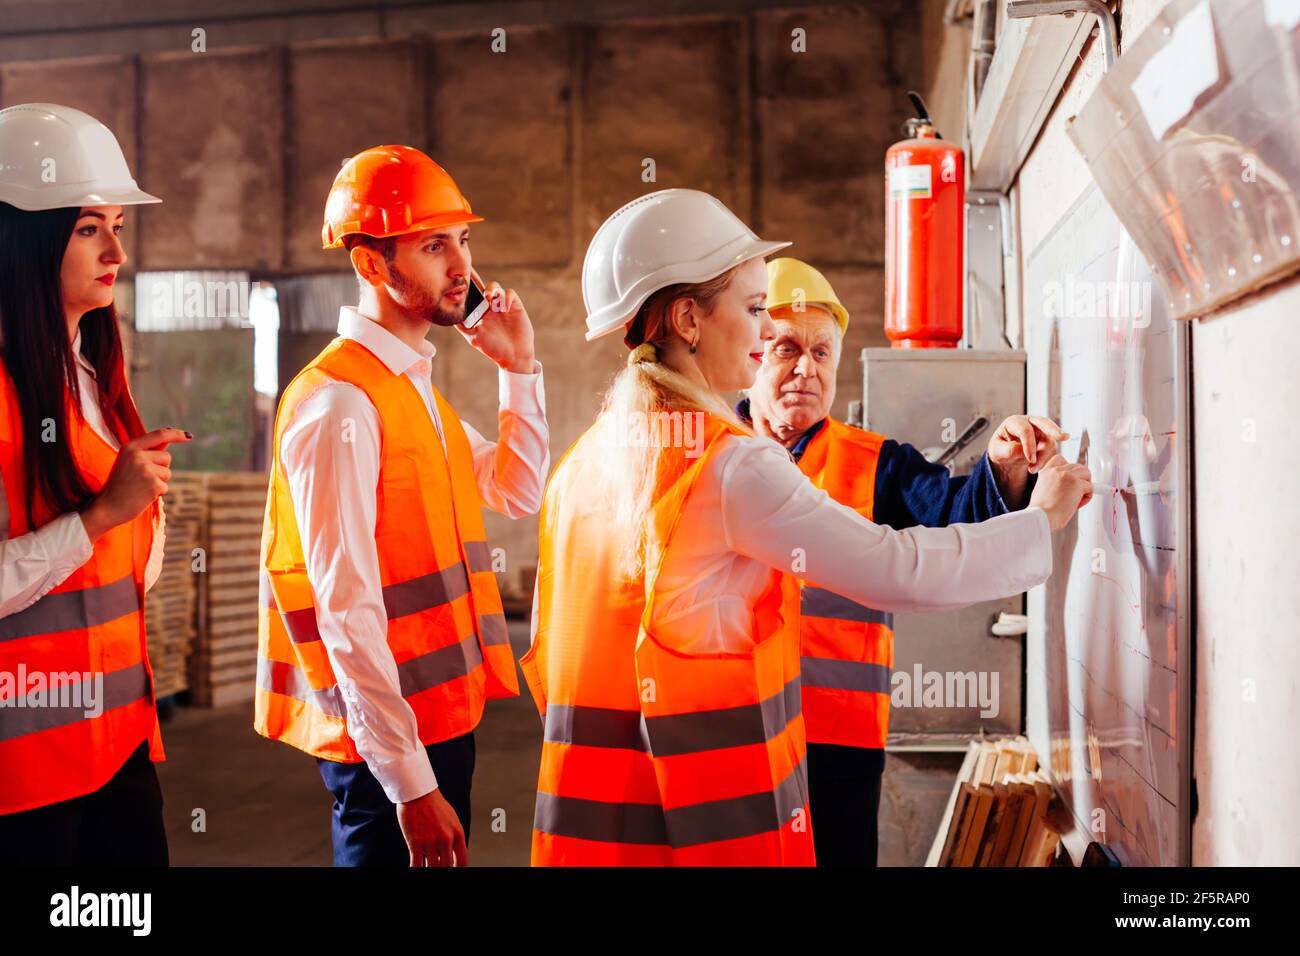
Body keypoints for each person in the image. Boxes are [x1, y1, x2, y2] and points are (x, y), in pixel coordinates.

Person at [521, 188, 1091, 866]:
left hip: (593, 831)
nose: (765, 336)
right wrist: (1044, 518)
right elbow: (898, 568)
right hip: (710, 826)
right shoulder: (729, 466)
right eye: (756, 310)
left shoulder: (581, 467)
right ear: (688, 320)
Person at [255, 145, 550, 867]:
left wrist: (520, 370)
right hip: (386, 751)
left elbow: (517, 488)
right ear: (371, 266)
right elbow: (345, 607)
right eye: (432, 245)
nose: (461, 267)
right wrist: (410, 785)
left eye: (463, 241)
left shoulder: (410, 388)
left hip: (442, 721)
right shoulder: (339, 405)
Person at [742, 256, 1068, 866]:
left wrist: (1002, 465)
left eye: (822, 353)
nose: (807, 370)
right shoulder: (712, 455)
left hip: (836, 742)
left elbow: (955, 512)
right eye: (787, 348)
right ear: (751, 355)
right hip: (734, 731)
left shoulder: (877, 464)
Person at [0, 103, 191, 864]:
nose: (116, 248)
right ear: (23, 238)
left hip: (118, 748)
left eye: (118, 225)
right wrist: (104, 513)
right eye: (87, 228)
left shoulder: (95, 381)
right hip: (25, 778)